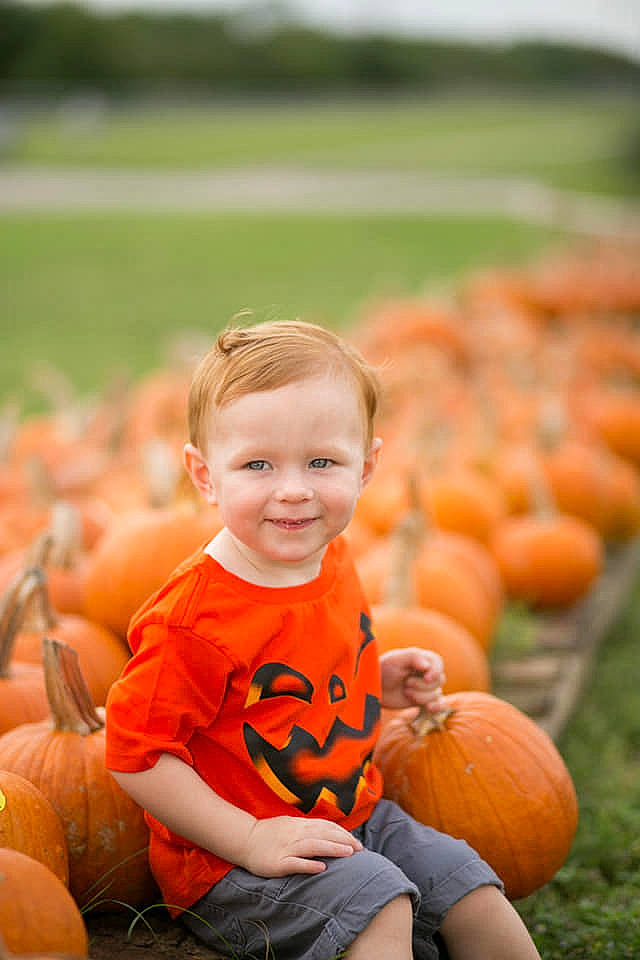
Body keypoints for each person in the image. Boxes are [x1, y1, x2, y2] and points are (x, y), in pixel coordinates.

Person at [105, 319, 541, 960]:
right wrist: (249, 838)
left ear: (365, 468)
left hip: (355, 818)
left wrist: (378, 680)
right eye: (257, 464)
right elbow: (134, 755)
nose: (294, 488)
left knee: (469, 884)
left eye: (322, 462)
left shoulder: (330, 557)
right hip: (232, 865)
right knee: (381, 907)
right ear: (204, 475)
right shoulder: (194, 620)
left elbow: (307, 679)